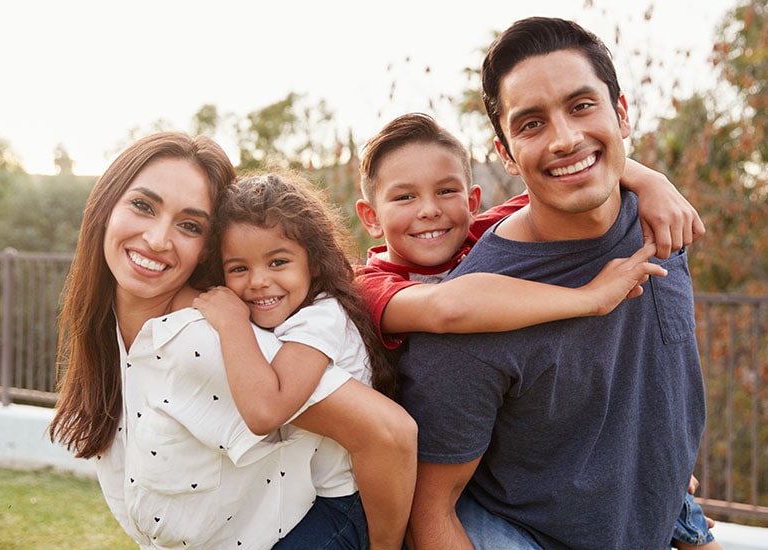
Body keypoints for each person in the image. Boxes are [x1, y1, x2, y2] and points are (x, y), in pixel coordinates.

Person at [396, 17, 707, 549]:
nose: (565, 139)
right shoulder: (474, 314)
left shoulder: (661, 221)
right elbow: (431, 512)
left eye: (582, 106)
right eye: (532, 123)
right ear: (505, 153)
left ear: (622, 113)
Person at [47, 132, 415, 550]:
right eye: (143, 206)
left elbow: (388, 434)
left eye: (189, 225)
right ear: (105, 206)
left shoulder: (208, 339)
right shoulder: (111, 329)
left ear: (206, 248)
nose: (156, 239)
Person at [193, 171, 415, 549]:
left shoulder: (320, 318)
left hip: (347, 505)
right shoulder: (287, 316)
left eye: (277, 262)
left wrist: (232, 324)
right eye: (239, 268)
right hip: (308, 498)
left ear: (313, 263)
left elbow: (267, 411)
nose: (259, 281)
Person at [355, 112, 701, 351]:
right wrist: (591, 298)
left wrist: (653, 182)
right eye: (404, 197)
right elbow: (447, 308)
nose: (430, 210)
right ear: (371, 218)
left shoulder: (481, 232)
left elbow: (569, 178)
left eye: (446, 191)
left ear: (472, 202)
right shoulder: (366, 286)